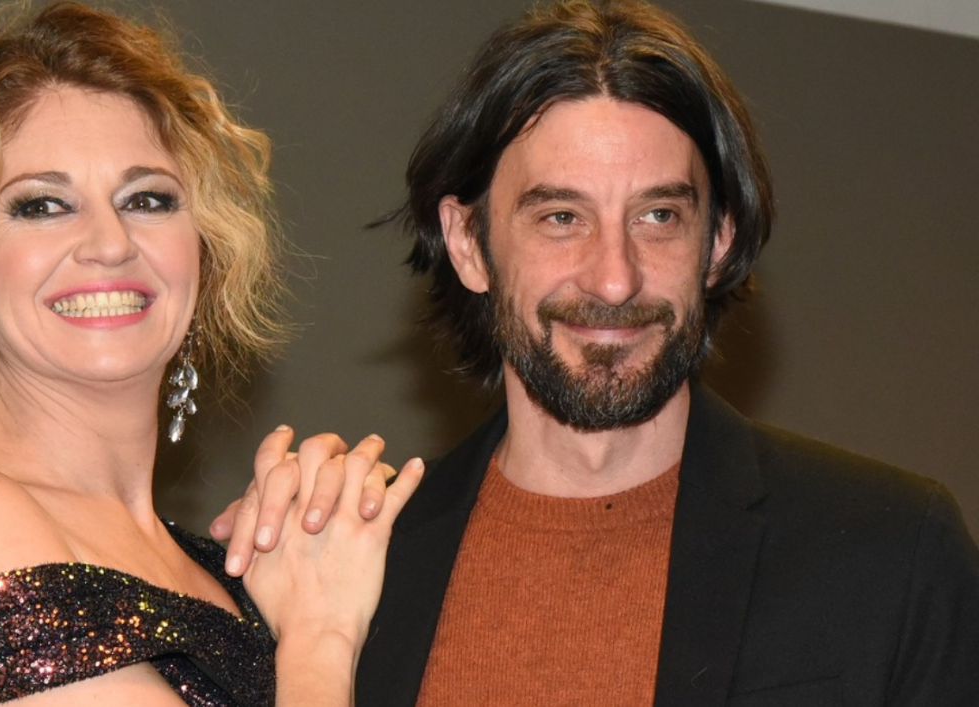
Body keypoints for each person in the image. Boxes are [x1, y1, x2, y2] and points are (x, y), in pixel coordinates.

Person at [214, 1, 979, 705]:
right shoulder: (350, 565)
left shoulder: (890, 551)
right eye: (560, 217)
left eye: (658, 215)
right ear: (469, 243)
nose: (615, 278)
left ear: (718, 242)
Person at [0, 3, 422, 706]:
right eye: (42, 205)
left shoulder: (213, 571)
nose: (111, 243)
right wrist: (321, 635)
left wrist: (308, 552)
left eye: (147, 199)